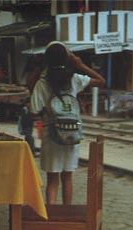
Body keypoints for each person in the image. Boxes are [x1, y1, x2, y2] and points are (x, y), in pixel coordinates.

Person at [31, 41, 105, 206]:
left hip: (51, 135)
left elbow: (34, 109)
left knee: (52, 180)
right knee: (67, 177)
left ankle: (52, 216)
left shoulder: (42, 82)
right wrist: (80, 64)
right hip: (72, 134)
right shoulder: (74, 79)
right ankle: (67, 212)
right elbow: (101, 81)